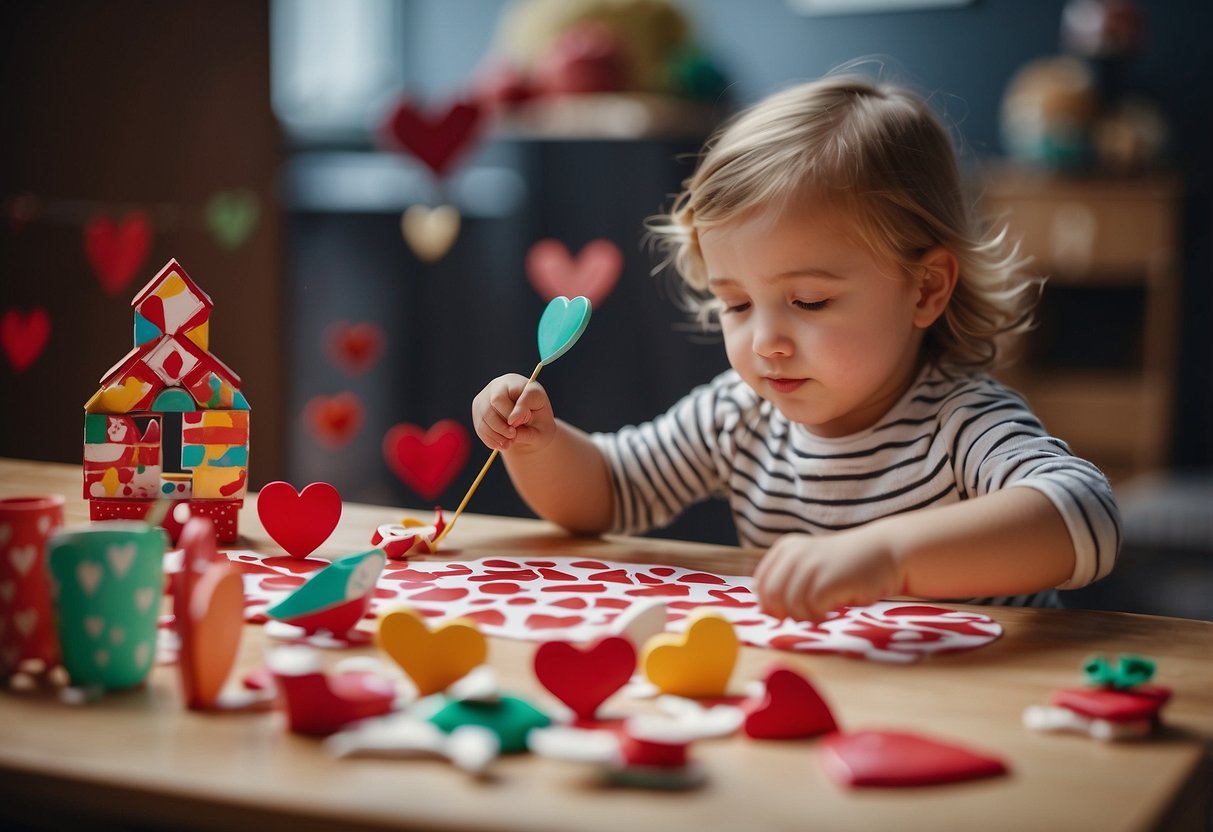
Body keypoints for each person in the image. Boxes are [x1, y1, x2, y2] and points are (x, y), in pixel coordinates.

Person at [471, 73, 1120, 622]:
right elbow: (608, 493)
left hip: (980, 706)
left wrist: (889, 557)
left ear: (924, 289)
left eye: (808, 302)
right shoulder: (737, 416)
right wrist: (541, 444)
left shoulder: (958, 423)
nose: (766, 341)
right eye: (736, 303)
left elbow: (1084, 516)